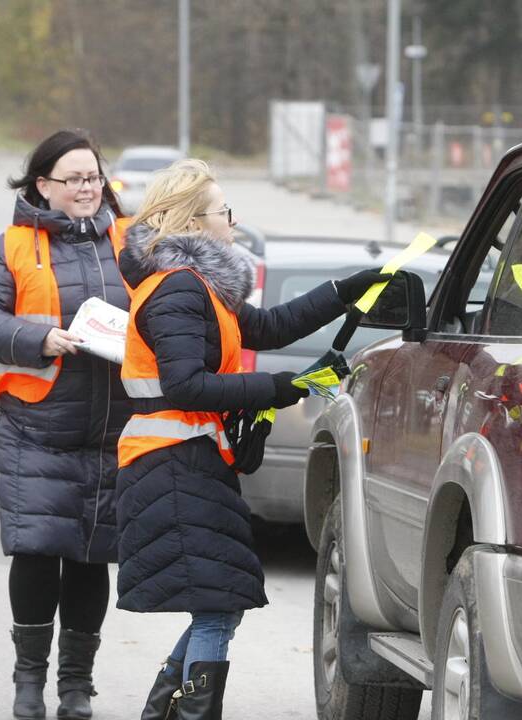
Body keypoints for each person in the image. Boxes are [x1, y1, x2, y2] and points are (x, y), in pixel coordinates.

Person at [114, 159, 390, 720]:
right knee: (220, 602)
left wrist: (343, 291)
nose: (233, 222)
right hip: (167, 465)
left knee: (224, 601)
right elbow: (186, 384)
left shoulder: (200, 289)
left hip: (188, 463)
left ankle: (165, 708)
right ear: (194, 220)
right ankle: (185, 712)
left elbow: (267, 328)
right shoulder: (177, 292)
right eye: (224, 211)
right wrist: (282, 386)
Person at [0, 129, 131, 720]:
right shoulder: (10, 245)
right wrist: (41, 338)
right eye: (74, 179)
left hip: (113, 429)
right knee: (36, 553)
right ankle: (28, 680)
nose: (88, 189)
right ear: (43, 185)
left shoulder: (131, 240)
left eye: (94, 177)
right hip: (34, 429)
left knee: (91, 556)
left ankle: (77, 685)